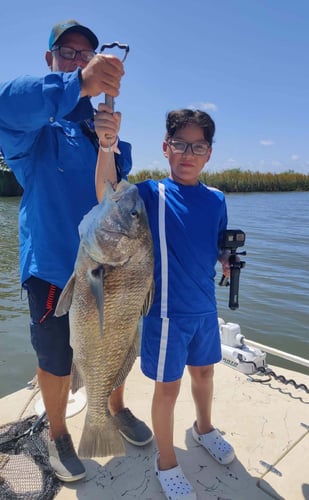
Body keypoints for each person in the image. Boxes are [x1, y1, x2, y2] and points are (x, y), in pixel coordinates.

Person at [0, 19, 152, 483]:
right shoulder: (34, 132)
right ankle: (59, 433)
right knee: (55, 358)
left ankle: (114, 407)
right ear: (50, 61)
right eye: (67, 52)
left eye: (85, 55)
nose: (78, 59)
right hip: (51, 264)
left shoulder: (110, 134)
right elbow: (5, 106)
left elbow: (114, 192)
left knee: (118, 335)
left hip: (114, 266)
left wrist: (108, 140)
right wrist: (77, 84)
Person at [95, 108, 235, 500]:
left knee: (205, 375)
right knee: (167, 389)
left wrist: (226, 259)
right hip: (165, 314)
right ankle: (167, 460)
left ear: (209, 153)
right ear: (165, 148)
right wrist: (107, 145)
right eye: (179, 144)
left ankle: (203, 429)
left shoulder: (217, 198)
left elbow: (217, 243)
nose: (187, 153)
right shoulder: (150, 193)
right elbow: (106, 193)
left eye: (198, 146)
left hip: (205, 309)